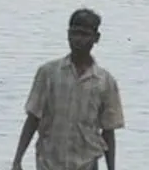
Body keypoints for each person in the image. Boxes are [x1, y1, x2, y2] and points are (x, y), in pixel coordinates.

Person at [13, 9, 124, 170]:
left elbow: (108, 130)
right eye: (75, 33)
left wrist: (111, 168)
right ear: (68, 35)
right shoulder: (49, 73)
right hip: (49, 162)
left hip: (86, 163)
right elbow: (33, 118)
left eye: (85, 35)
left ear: (96, 38)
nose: (78, 40)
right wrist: (18, 160)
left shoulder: (105, 82)